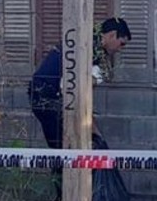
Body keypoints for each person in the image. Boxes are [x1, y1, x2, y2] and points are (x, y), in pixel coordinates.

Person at [27, 17, 131, 149]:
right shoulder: (87, 50)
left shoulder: (84, 42)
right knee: (64, 148)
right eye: (121, 43)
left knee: (63, 146)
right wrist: (95, 132)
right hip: (49, 96)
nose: (120, 49)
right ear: (112, 35)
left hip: (46, 94)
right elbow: (78, 90)